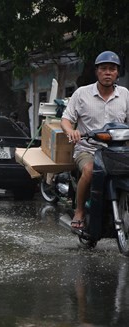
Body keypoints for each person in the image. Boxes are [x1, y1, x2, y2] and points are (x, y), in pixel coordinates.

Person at [61, 50, 129, 229]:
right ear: (97, 71)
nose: (108, 72)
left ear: (117, 73)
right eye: (104, 68)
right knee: (91, 171)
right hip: (88, 149)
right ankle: (80, 210)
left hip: (117, 151)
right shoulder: (82, 93)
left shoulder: (125, 94)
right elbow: (66, 119)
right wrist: (71, 131)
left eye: (112, 69)